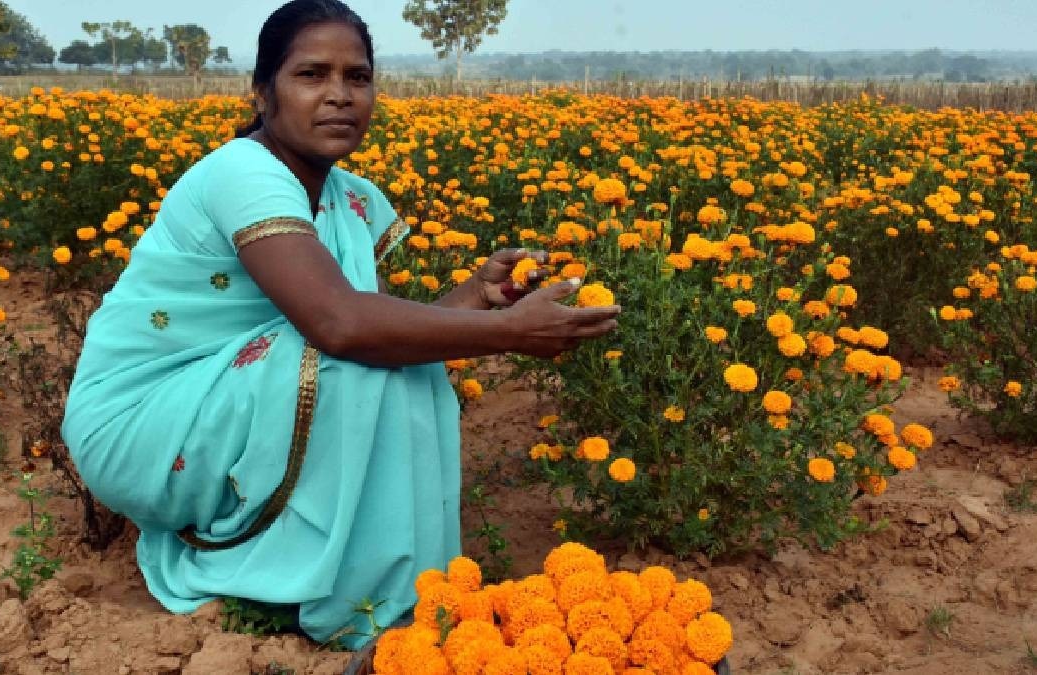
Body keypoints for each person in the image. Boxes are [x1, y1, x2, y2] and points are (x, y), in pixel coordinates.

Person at [61, 0, 619, 647]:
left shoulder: (347, 196)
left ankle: (382, 592)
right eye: (311, 75)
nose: (339, 95)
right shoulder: (244, 172)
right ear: (263, 91)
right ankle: (328, 593)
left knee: (398, 368)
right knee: (351, 366)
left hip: (223, 397)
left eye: (358, 77)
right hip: (140, 423)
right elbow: (340, 326)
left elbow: (375, 332)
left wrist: (478, 295)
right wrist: (512, 334)